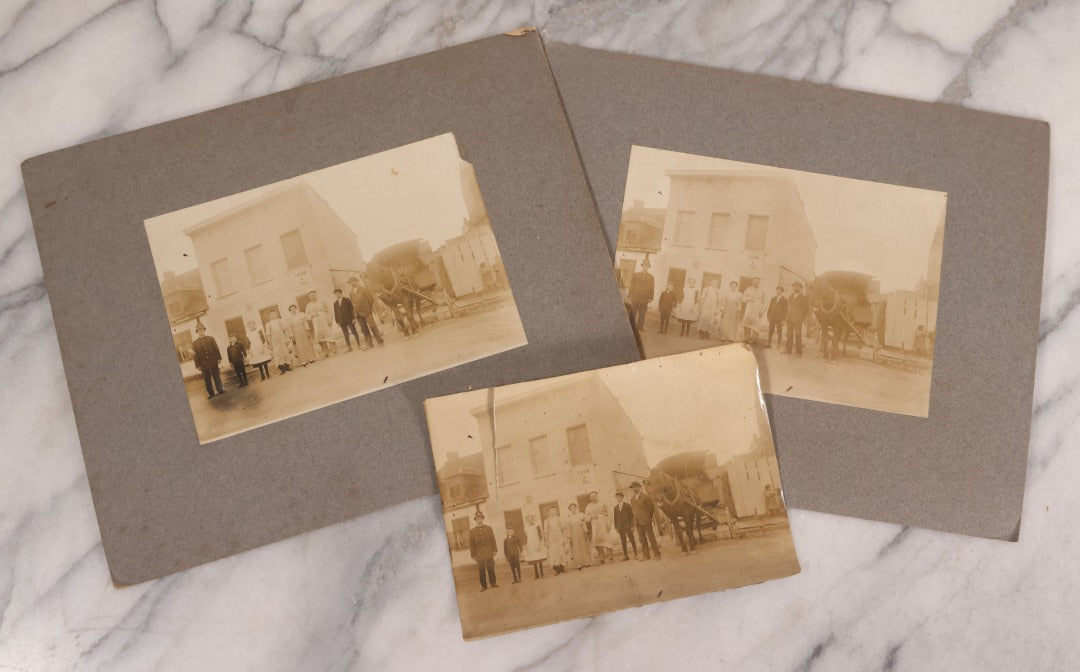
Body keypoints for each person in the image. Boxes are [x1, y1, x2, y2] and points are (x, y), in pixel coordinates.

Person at [349, 275, 384, 349]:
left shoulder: (364, 289)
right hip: (358, 314)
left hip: (367, 312)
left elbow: (371, 299)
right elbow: (353, 303)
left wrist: (368, 308)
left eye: (353, 282)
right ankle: (369, 344)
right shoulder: (351, 293)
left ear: (357, 282)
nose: (352, 283)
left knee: (373, 327)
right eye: (351, 282)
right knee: (364, 329)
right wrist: (355, 313)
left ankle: (380, 341)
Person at [629, 481, 661, 561]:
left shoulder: (645, 496)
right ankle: (646, 556)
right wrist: (635, 521)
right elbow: (634, 510)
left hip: (646, 521)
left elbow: (651, 509)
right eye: (633, 487)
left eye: (636, 487)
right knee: (642, 540)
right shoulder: (632, 499)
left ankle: (657, 555)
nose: (634, 489)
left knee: (651, 538)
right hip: (637, 522)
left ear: (639, 487)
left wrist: (648, 518)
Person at [192, 324, 225, 399]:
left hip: (213, 361)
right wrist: (198, 365)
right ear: (197, 332)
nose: (201, 332)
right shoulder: (195, 343)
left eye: (202, 330)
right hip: (203, 364)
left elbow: (216, 349)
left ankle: (220, 389)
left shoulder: (211, 339)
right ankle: (211, 393)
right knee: (207, 379)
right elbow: (195, 355)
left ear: (204, 330)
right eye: (199, 330)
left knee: (216, 376)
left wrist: (219, 359)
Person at [468, 511, 498, 591]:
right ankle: (484, 586)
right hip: (479, 554)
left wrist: (494, 550)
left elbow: (493, 540)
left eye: (480, 518)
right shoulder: (472, 531)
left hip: (489, 552)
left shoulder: (488, 528)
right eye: (477, 519)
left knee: (491, 568)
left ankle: (493, 583)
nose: (479, 520)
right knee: (481, 570)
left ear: (483, 519)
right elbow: (471, 544)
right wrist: (473, 555)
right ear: (475, 520)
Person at [305, 290, 336, 359]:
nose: (312, 297)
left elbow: (330, 310)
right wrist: (312, 314)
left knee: (329, 334)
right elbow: (306, 316)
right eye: (311, 296)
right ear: (309, 297)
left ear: (316, 295)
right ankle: (325, 352)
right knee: (319, 337)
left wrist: (330, 319)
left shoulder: (323, 300)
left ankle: (334, 350)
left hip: (325, 319)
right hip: (316, 322)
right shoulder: (309, 305)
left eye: (313, 295)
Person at [585, 491, 614, 564]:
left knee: (606, 539)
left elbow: (609, 513)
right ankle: (602, 557)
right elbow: (586, 517)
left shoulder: (603, 503)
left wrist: (609, 523)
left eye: (594, 496)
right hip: (595, 526)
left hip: (603, 524)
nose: (593, 497)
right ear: (590, 498)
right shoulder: (588, 506)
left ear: (597, 496)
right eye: (591, 496)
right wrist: (591, 516)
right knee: (597, 541)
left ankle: (610, 556)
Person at [265, 308, 295, 374]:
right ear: (269, 316)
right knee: (277, 354)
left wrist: (287, 338)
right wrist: (270, 344)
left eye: (274, 314)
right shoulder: (268, 324)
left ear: (276, 314)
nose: (273, 315)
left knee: (285, 352)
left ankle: (287, 366)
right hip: (274, 340)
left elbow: (285, 330)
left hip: (282, 338)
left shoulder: (280, 321)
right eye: (271, 314)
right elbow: (268, 335)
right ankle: (282, 368)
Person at [627, 259, 655, 331]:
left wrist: (650, 297)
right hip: (635, 297)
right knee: (633, 312)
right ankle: (631, 326)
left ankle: (640, 327)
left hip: (644, 298)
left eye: (647, 266)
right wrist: (630, 295)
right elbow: (631, 285)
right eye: (644, 265)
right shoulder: (635, 275)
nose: (645, 267)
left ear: (649, 267)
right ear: (642, 266)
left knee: (642, 313)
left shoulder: (651, 277)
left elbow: (652, 288)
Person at [785, 281, 810, 356]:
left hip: (798, 319)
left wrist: (802, 318)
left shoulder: (803, 297)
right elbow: (789, 307)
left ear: (800, 288)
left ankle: (798, 352)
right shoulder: (791, 296)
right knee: (789, 334)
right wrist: (787, 317)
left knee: (798, 335)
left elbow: (806, 310)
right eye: (794, 286)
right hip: (790, 318)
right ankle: (788, 350)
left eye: (797, 287)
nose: (795, 288)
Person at [542, 508, 569, 575]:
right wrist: (547, 541)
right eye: (550, 511)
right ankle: (556, 569)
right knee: (554, 553)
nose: (552, 512)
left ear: (556, 511)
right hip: (551, 537)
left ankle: (562, 567)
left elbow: (563, 529)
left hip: (559, 536)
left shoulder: (559, 519)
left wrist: (565, 538)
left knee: (561, 551)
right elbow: (546, 532)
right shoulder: (547, 521)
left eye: (554, 510)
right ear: (548, 512)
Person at [612, 491, 638, 561]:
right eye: (617, 498)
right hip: (620, 527)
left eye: (620, 497)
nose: (618, 499)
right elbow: (615, 518)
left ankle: (636, 553)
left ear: (622, 498)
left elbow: (631, 516)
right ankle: (626, 556)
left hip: (628, 525)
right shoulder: (615, 508)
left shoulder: (627, 505)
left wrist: (632, 526)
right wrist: (616, 527)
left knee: (631, 539)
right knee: (623, 541)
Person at [332, 288, 360, 352]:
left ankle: (359, 344)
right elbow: (336, 313)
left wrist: (353, 318)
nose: (337, 294)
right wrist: (337, 322)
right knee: (345, 334)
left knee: (353, 331)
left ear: (341, 293)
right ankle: (349, 347)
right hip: (341, 321)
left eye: (338, 293)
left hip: (349, 319)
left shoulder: (347, 300)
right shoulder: (335, 303)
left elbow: (351, 309)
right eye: (335, 293)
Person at [740, 277, 766, 345]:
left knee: (756, 324)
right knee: (747, 323)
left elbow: (766, 301)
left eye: (757, 281)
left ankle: (755, 340)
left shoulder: (762, 290)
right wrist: (748, 299)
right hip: (749, 309)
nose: (755, 282)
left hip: (758, 310)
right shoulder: (749, 289)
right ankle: (746, 338)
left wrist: (762, 311)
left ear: (759, 282)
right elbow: (743, 298)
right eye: (754, 281)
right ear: (752, 282)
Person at [566, 503, 591, 570]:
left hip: (581, 531)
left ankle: (586, 562)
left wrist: (585, 531)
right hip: (573, 533)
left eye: (574, 508)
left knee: (583, 546)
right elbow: (568, 528)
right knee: (576, 548)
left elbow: (584, 524)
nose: (573, 509)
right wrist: (569, 536)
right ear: (569, 510)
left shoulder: (581, 515)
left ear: (576, 508)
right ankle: (578, 564)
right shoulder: (568, 517)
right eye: (571, 508)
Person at [521, 514, 547, 579]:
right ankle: (536, 574)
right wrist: (526, 546)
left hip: (537, 543)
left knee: (539, 558)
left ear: (533, 519)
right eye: (529, 519)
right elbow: (525, 537)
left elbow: (540, 536)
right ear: (527, 520)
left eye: (531, 519)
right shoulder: (526, 528)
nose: (530, 520)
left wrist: (539, 544)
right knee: (534, 559)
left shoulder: (537, 526)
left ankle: (542, 573)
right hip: (530, 544)